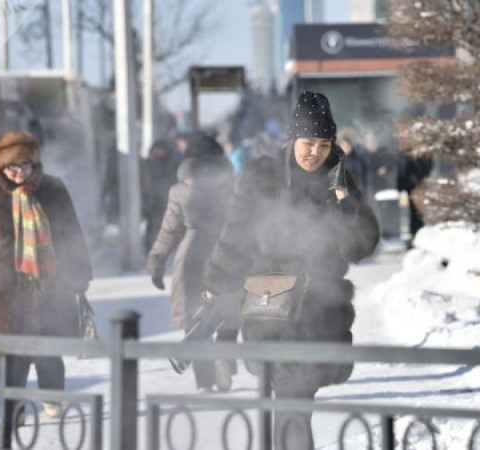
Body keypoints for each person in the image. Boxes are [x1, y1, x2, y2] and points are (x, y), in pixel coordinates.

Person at [203, 91, 380, 449]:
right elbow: (236, 235)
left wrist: (345, 202)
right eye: (307, 142)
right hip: (272, 307)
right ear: (292, 139)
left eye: (323, 143)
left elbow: (360, 246)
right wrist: (216, 283)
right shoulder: (262, 177)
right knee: (290, 399)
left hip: (320, 310)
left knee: (296, 401)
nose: (314, 151)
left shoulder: (340, 179)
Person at [0, 131, 92, 423]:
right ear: (1, 168)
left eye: (25, 164)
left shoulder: (54, 189)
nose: (19, 171)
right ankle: (14, 408)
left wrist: (78, 277)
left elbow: (70, 232)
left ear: (35, 163)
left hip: (50, 284)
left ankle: (52, 398)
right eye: (12, 166)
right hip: (6, 289)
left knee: (48, 348)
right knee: (11, 354)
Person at [147, 131, 238, 392]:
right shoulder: (235, 185)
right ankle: (225, 354)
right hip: (229, 250)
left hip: (193, 255)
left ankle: (204, 381)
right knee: (230, 310)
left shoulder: (180, 190)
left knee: (194, 316)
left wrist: (157, 259)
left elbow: (169, 229)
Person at [141, 139, 180, 253]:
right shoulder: (148, 164)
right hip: (153, 202)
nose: (157, 154)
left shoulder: (172, 164)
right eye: (155, 152)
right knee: (153, 227)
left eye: (159, 151)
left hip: (167, 201)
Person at [397, 154, 434, 248]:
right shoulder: (407, 156)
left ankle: (418, 235)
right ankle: (415, 235)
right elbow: (402, 171)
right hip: (411, 186)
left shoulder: (419, 155)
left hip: (417, 185)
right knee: (414, 213)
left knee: (418, 213)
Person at [337, 127, 369, 195]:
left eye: (347, 146)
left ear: (350, 146)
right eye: (343, 146)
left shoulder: (356, 160)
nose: (345, 148)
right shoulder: (336, 159)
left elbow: (360, 178)